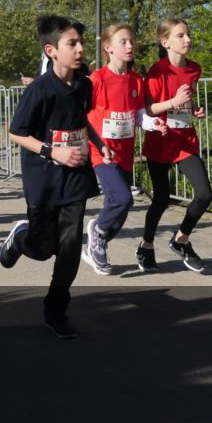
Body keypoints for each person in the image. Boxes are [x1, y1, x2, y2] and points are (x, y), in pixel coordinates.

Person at [0, 16, 108, 339]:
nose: (80, 49)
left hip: (75, 176)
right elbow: (16, 132)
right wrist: (52, 152)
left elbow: (80, 123)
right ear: (51, 50)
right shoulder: (39, 90)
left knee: (71, 246)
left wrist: (100, 145)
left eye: (81, 43)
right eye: (72, 43)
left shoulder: (84, 85)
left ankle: (56, 309)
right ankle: (21, 238)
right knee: (43, 246)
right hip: (43, 177)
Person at [81, 24, 168, 275]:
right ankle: (97, 233)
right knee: (123, 198)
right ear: (108, 48)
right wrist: (94, 142)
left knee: (120, 206)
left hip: (125, 152)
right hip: (102, 152)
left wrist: (153, 124)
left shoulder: (136, 80)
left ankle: (98, 241)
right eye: (123, 42)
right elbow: (82, 115)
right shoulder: (96, 80)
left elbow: (138, 114)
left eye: (132, 41)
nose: (130, 46)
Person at [138, 18, 211, 273]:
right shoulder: (157, 71)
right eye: (181, 36)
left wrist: (195, 110)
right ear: (165, 41)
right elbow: (148, 108)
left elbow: (185, 102)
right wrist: (174, 101)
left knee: (204, 194)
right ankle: (146, 245)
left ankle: (181, 239)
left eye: (188, 34)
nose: (188, 40)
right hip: (160, 140)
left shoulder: (195, 69)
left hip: (185, 140)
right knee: (161, 199)